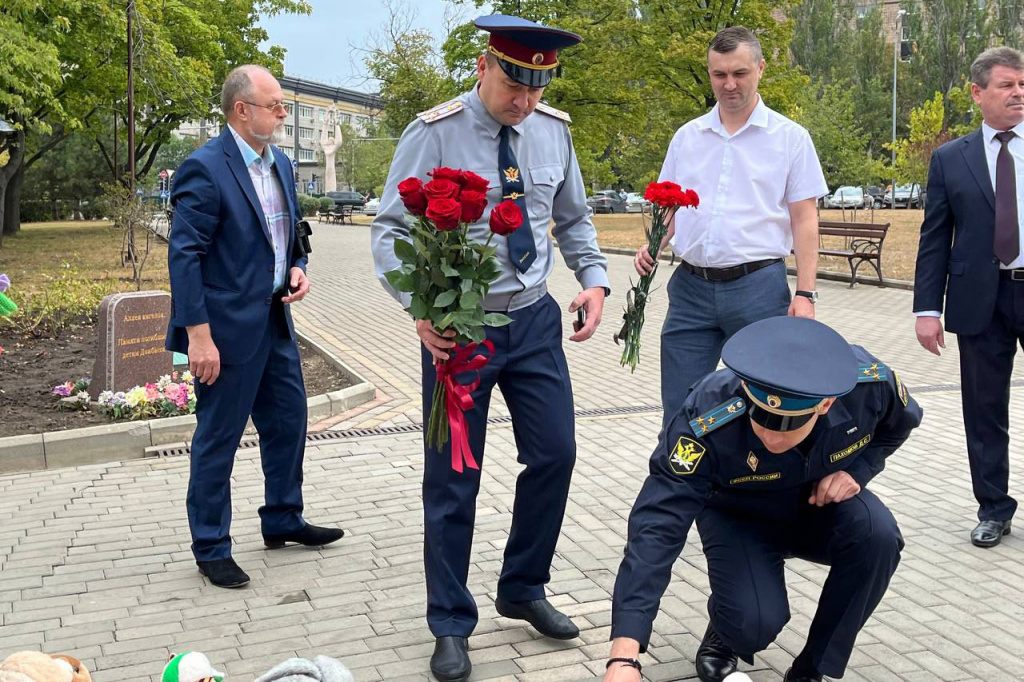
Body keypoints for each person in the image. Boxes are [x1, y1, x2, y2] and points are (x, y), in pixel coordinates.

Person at [371, 14, 609, 682]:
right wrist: (419, 309)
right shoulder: (434, 132)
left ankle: (523, 587)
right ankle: (450, 622)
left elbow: (572, 218)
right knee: (453, 479)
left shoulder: (554, 132)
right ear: (484, 65)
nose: (524, 101)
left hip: (534, 323)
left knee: (556, 454)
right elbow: (390, 228)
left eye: (537, 87)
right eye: (514, 82)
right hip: (461, 331)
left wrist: (594, 281)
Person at [602, 316, 923, 682]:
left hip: (819, 507)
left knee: (878, 537)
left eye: (788, 423)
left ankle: (811, 669)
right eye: (761, 417)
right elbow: (657, 526)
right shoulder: (706, 415)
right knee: (752, 625)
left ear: (826, 403)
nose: (771, 437)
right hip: (739, 516)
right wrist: (624, 657)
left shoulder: (868, 384)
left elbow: (901, 424)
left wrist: (857, 473)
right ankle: (726, 626)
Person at [166, 65, 343, 589]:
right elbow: (185, 258)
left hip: (275, 319)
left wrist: (298, 268)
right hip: (223, 332)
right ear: (242, 110)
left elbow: (290, 235)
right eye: (276, 105)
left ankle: (283, 518)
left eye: (284, 104)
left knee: (288, 423)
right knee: (218, 438)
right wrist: (198, 336)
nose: (284, 113)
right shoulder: (205, 168)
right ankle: (211, 545)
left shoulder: (282, 165)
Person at [634, 26, 827, 426]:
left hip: (758, 290)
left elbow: (805, 220)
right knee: (682, 409)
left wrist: (805, 293)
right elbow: (666, 207)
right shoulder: (688, 137)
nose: (729, 84)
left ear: (761, 68)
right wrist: (655, 243)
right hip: (690, 291)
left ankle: (756, 486)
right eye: (719, 74)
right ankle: (684, 486)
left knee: (766, 408)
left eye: (739, 73)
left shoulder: (790, 138)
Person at [914, 47, 1024, 548]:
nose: (1018, 93)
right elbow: (935, 237)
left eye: (1022, 84)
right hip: (980, 299)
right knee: (983, 410)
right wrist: (925, 310)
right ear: (978, 93)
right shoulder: (949, 158)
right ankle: (994, 509)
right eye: (1006, 85)